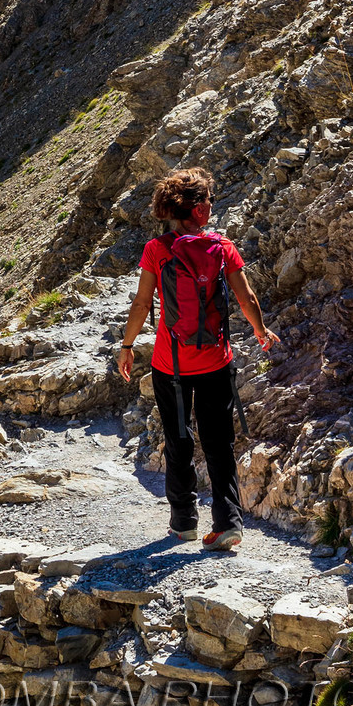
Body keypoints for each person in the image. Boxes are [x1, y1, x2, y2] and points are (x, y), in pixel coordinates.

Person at [117, 166, 277, 552]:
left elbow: (142, 304)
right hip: (216, 362)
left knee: (178, 440)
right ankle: (228, 524)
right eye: (208, 199)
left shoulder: (157, 250)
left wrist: (127, 345)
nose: (211, 205)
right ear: (198, 209)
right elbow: (246, 298)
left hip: (170, 364)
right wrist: (260, 330)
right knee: (219, 443)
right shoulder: (222, 247)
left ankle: (184, 522)